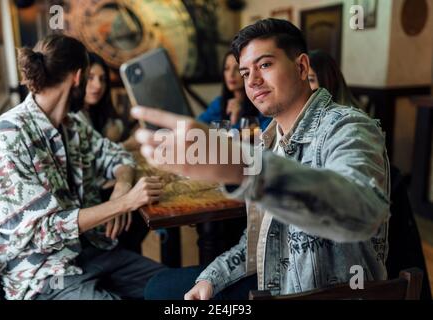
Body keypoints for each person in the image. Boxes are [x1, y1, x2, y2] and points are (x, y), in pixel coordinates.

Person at [134, 18, 390, 300]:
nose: (253, 81)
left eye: (265, 65)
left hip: (326, 292)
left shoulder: (349, 126)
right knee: (160, 288)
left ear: (302, 67)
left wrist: (242, 168)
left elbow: (362, 211)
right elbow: (260, 240)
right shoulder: (269, 141)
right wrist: (213, 277)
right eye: (245, 73)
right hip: (274, 280)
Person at [0, 34, 165, 300]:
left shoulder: (72, 127)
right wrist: (124, 204)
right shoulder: (8, 135)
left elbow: (117, 156)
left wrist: (122, 187)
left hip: (91, 251)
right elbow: (42, 231)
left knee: (180, 290)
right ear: (79, 77)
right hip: (40, 275)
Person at [80, 52, 147, 253]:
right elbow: (101, 155)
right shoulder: (74, 118)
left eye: (102, 79)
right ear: (78, 78)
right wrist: (128, 143)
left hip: (105, 187)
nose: (98, 85)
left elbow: (111, 144)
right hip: (90, 201)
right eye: (90, 78)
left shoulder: (98, 113)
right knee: (143, 208)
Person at [197, 50, 271, 131]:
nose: (231, 74)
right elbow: (196, 127)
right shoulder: (219, 104)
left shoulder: (261, 102)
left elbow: (261, 139)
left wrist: (235, 121)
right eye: (227, 68)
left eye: (237, 69)